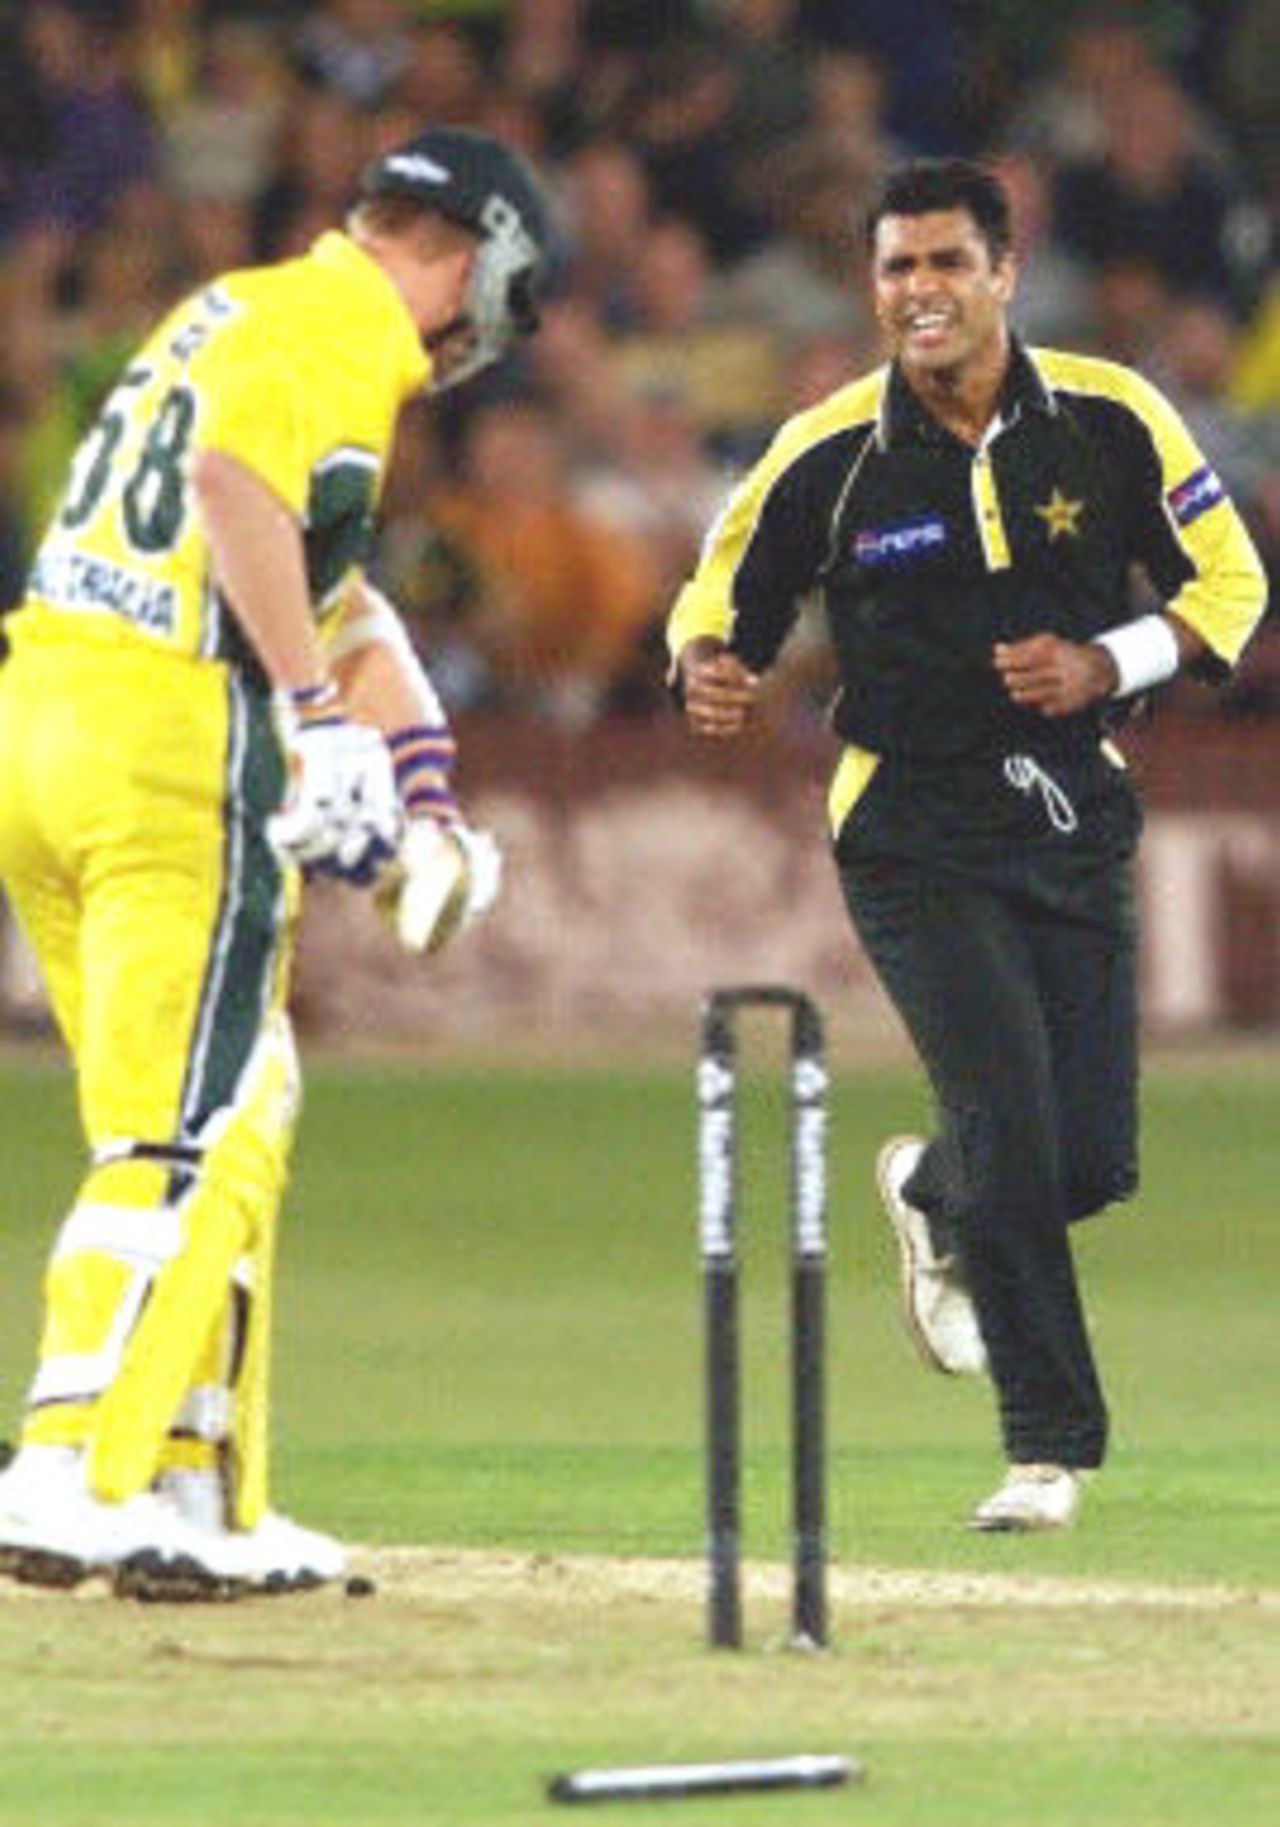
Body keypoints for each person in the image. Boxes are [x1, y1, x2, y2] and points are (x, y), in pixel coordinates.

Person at [668, 158, 1266, 1533]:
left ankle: (931, 1193)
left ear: (1005, 272)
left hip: (1067, 813)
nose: (921, 293)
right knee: (1008, 1115)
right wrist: (705, 661)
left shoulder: (1110, 417)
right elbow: (727, 581)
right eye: (896, 270)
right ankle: (1047, 1450)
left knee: (1086, 1161)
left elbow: (1230, 580)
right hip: (911, 824)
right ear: (870, 286)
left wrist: (1106, 662)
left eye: (946, 264)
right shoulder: (833, 448)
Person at [0, 126, 550, 1596]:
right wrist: (311, 720)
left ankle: (194, 1494)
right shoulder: (347, 326)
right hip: (177, 733)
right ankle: (70, 1471)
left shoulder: (234, 305)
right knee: (201, 1126)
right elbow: (241, 486)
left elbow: (334, 590)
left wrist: (421, 792)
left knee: (205, 1109)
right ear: (474, 256)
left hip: (50, 717)